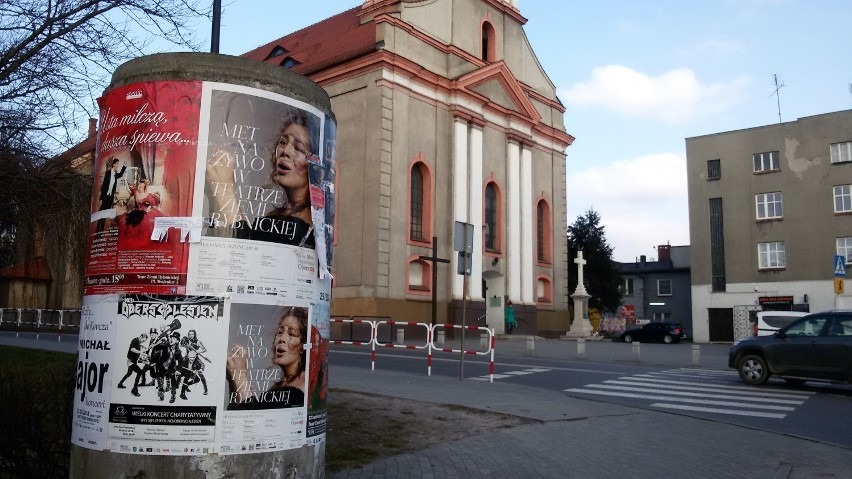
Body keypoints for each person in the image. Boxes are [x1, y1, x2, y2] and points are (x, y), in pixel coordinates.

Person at [207, 110, 318, 248]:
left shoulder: (309, 230)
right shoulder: (273, 220)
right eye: (283, 142)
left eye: (298, 148)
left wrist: (223, 188)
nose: (286, 151)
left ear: (314, 166)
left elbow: (241, 258)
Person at [226, 306, 307, 409]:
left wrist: (239, 374)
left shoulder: (303, 385)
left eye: (291, 334)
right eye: (280, 332)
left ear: (303, 346)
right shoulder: (278, 386)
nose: (282, 339)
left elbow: (252, 417)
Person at [96, 158, 126, 231]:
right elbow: (104, 185)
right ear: (113, 164)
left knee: (106, 213)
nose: (117, 165)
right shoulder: (108, 173)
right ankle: (98, 230)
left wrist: (124, 165)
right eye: (116, 164)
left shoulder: (116, 174)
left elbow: (121, 174)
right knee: (101, 213)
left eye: (118, 164)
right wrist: (101, 198)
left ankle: (101, 230)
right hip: (105, 195)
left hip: (110, 197)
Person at [116, 332, 148, 396]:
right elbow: (132, 349)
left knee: (129, 373)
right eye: (143, 340)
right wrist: (140, 352)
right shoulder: (135, 340)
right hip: (131, 362)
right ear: (141, 337)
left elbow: (137, 353)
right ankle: (134, 389)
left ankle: (120, 384)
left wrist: (142, 355)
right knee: (140, 372)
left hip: (133, 361)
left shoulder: (138, 343)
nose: (143, 342)